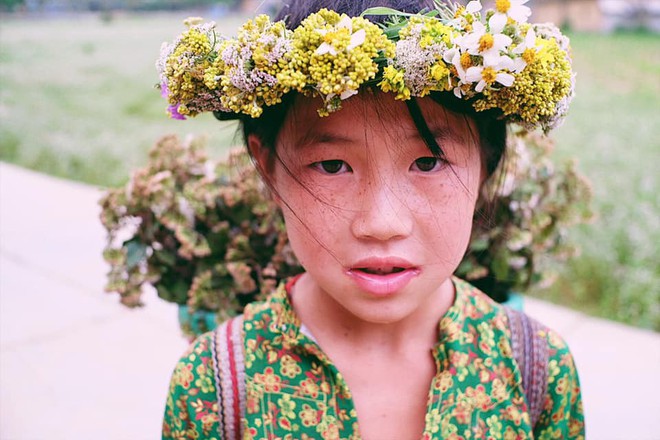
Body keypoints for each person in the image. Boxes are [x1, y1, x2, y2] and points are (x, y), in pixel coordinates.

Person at [158, 0, 584, 438]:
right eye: (331, 166)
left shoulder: (537, 372)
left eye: (428, 162)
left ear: (487, 164)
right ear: (268, 169)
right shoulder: (214, 388)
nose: (382, 223)